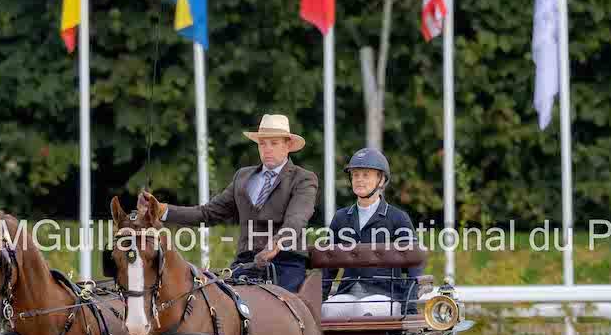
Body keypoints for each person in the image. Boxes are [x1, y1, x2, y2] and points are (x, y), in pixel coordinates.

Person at [160, 114, 318, 292]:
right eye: (262, 144)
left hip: (285, 263)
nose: (267, 149)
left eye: (273, 143)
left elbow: (296, 218)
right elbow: (207, 213)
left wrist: (276, 244)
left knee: (273, 305)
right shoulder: (242, 177)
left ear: (287, 145)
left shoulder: (303, 178)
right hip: (246, 264)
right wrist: (163, 210)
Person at [322, 147, 422, 305]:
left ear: (381, 180)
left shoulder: (398, 218)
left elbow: (414, 265)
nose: (359, 179)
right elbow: (328, 265)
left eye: (366, 175)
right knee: (330, 310)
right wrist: (318, 302)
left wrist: (408, 306)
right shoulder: (340, 218)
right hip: (348, 292)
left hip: (386, 294)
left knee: (364, 308)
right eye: (355, 175)